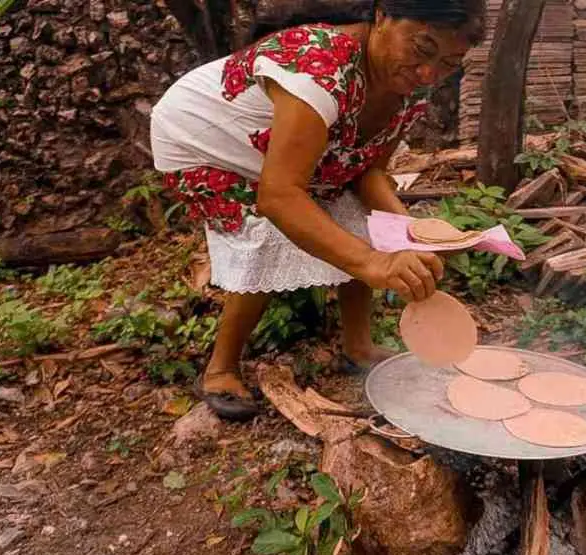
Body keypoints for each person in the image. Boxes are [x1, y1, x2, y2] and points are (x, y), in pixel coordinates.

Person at [151, 1, 486, 420]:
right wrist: (373, 263)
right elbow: (279, 196)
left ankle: (358, 346)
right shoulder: (319, 66)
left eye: (449, 63)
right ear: (383, 15)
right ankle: (220, 368)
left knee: (366, 223)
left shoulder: (406, 85)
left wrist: (408, 231)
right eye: (422, 48)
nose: (428, 74)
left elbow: (368, 173)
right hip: (204, 140)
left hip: (277, 149)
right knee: (268, 231)